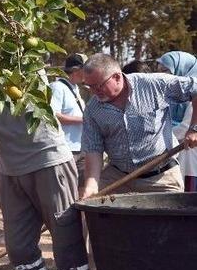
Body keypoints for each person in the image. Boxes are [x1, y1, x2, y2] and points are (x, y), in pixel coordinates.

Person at [0, 107, 91, 270]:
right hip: (10, 169)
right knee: (18, 248)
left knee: (66, 242)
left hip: (49, 161)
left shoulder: (28, 83)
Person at [81, 53, 197, 198]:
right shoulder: (92, 109)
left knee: (171, 213)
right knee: (91, 208)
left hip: (161, 179)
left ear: (116, 77)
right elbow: (94, 149)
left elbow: (195, 89)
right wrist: (91, 185)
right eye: (90, 86)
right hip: (118, 178)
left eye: (98, 86)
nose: (94, 92)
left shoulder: (154, 85)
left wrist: (194, 128)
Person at [158, 52, 197, 191]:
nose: (162, 75)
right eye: (159, 71)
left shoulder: (194, 93)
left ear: (181, 69)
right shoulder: (170, 95)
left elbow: (185, 128)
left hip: (190, 152)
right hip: (176, 149)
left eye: (165, 70)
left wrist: (158, 137)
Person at [50, 53, 87, 189]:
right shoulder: (57, 87)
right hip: (66, 149)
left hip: (80, 148)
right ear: (76, 70)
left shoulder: (75, 88)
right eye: (87, 69)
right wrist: (83, 120)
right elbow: (53, 116)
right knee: (67, 190)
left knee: (82, 189)